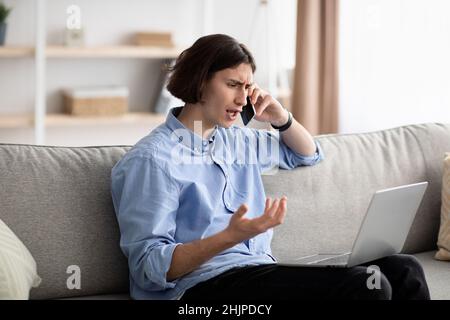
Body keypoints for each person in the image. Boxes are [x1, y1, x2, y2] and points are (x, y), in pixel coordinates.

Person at [110, 34, 430, 300]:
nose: (242, 98)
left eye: (247, 87)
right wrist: (230, 236)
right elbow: (149, 268)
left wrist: (281, 118)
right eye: (232, 84)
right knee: (364, 286)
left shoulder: (236, 141)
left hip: (257, 273)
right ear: (199, 82)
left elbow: (307, 154)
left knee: (403, 270)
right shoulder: (152, 161)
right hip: (199, 292)